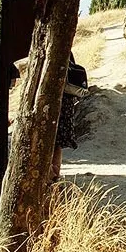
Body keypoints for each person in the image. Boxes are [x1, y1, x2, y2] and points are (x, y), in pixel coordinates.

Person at [50, 53, 88, 182]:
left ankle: (51, 174)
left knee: (50, 140)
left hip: (54, 100)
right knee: (58, 142)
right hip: (67, 100)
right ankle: (56, 174)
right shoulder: (66, 52)